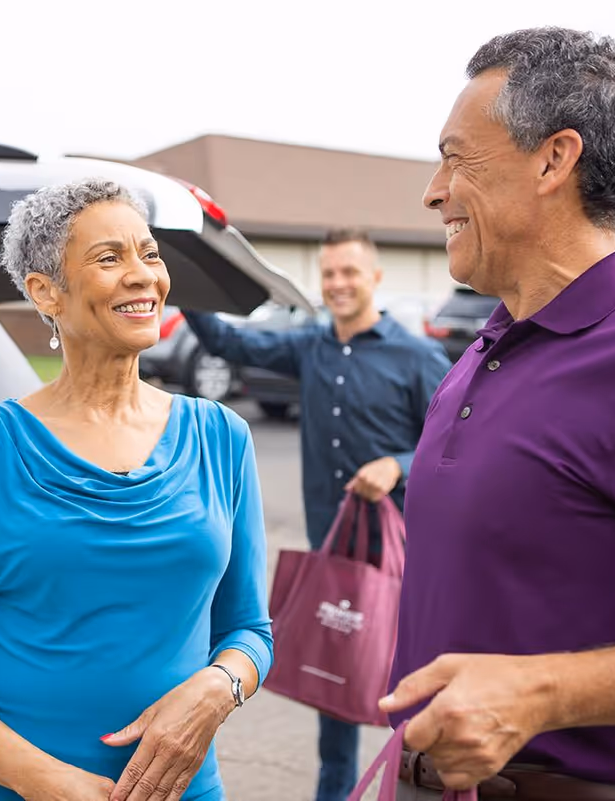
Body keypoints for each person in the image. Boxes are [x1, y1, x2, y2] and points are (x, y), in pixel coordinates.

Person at [379, 27, 615, 801]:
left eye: (457, 156)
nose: (434, 190)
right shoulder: (481, 347)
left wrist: (544, 694)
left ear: (553, 158)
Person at [0, 178, 273, 801]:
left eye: (149, 253)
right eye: (109, 258)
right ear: (46, 291)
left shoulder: (221, 436)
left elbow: (250, 629)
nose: (143, 275)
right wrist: (51, 783)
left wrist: (215, 689)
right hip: (7, 790)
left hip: (179, 789)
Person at [181, 228, 451, 801]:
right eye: (329, 274)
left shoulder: (417, 355)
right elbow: (231, 344)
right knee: (336, 697)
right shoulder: (311, 346)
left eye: (349, 272)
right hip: (334, 551)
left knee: (407, 694)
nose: (337, 284)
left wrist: (397, 466)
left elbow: (452, 442)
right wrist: (183, 275)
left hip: (403, 561)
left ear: (374, 277)